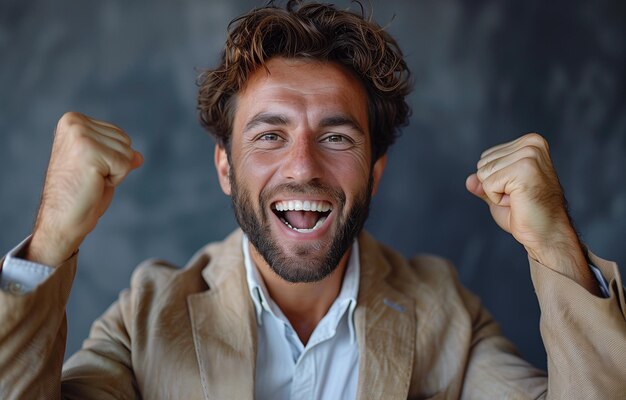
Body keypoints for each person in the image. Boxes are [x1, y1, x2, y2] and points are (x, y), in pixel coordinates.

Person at [1, 1, 624, 399]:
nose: (303, 166)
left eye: (336, 136)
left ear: (376, 172)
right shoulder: (146, 318)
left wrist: (554, 246)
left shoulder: (445, 315)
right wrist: (52, 238)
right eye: (269, 135)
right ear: (225, 167)